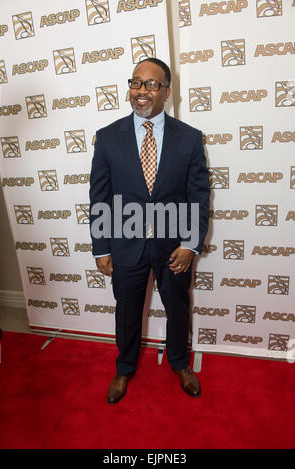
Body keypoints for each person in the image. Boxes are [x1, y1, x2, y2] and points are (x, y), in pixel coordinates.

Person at [89, 58, 210, 404]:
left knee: (178, 309)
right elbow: (100, 197)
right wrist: (101, 247)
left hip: (173, 247)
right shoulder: (108, 138)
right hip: (125, 245)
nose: (142, 91)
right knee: (126, 311)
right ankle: (124, 368)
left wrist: (191, 243)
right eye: (136, 83)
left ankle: (180, 364)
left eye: (151, 84)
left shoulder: (188, 139)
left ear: (166, 93)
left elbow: (198, 196)